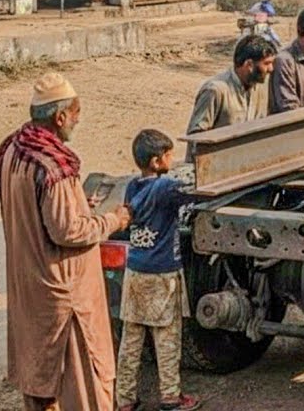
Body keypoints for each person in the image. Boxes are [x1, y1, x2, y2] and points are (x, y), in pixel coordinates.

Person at [0, 72, 131, 411]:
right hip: (63, 296)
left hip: (31, 290)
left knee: (41, 385)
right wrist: (115, 219)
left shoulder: (13, 148)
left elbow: (38, 212)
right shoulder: (52, 163)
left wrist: (79, 204)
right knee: (80, 387)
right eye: (76, 115)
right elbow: (69, 232)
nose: (77, 123)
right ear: (60, 116)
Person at [116, 130, 200, 411]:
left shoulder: (132, 186)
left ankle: (125, 400)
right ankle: (170, 397)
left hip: (136, 269)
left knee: (131, 338)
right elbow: (193, 193)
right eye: (168, 155)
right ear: (155, 161)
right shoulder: (165, 188)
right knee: (167, 338)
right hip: (163, 273)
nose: (172, 160)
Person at [184, 36, 277, 160]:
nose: (271, 69)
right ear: (249, 64)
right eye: (266, 63)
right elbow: (196, 137)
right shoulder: (215, 90)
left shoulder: (261, 86)